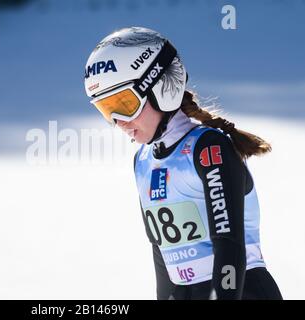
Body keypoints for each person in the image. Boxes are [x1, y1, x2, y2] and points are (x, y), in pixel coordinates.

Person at [83, 27, 283, 300]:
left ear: (160, 87)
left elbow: (229, 244)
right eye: (107, 109)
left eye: (125, 104)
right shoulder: (142, 161)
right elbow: (161, 253)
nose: (119, 121)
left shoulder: (209, 148)